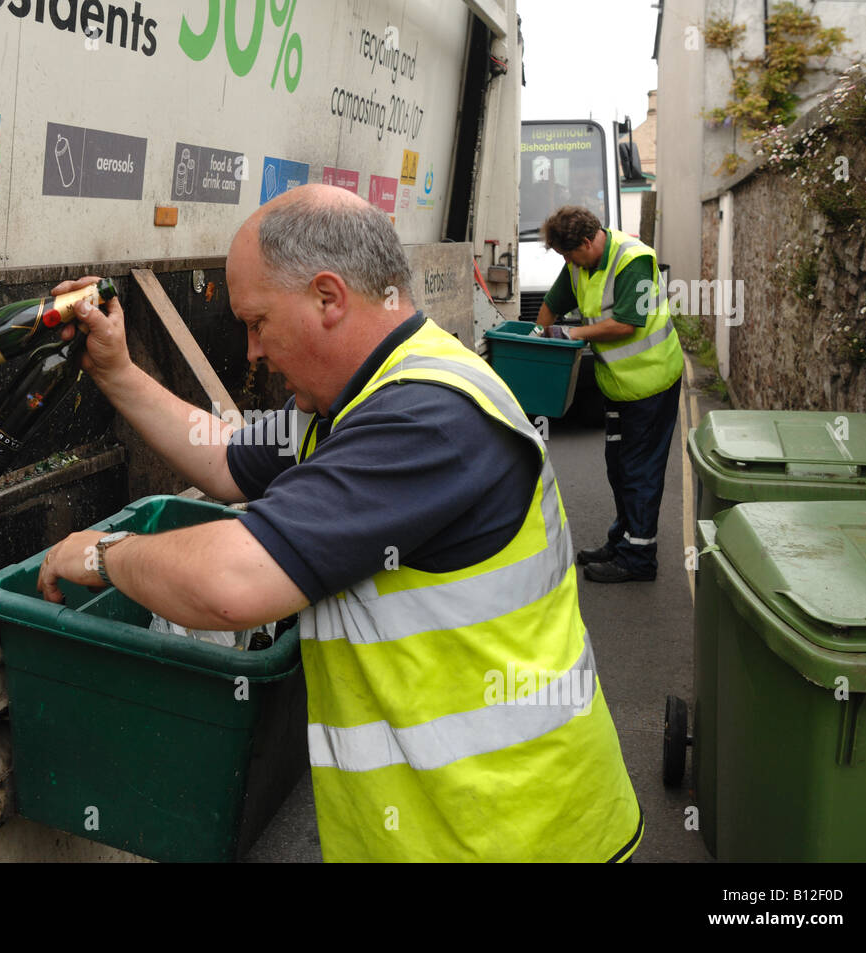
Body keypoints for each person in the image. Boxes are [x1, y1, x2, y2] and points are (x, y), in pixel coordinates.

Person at [37, 184, 643, 862]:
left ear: (328, 298)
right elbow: (224, 457)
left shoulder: (425, 418)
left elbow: (232, 582)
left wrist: (105, 555)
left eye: (258, 322)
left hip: (511, 835)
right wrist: (116, 369)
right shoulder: (354, 400)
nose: (253, 351)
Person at [535, 206, 683, 584]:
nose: (568, 262)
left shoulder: (634, 260)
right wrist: (536, 340)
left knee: (639, 470)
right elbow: (553, 304)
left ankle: (639, 558)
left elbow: (626, 324)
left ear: (587, 241)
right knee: (618, 466)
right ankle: (623, 540)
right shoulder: (577, 264)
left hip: (651, 383)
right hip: (617, 383)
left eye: (570, 254)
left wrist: (571, 335)